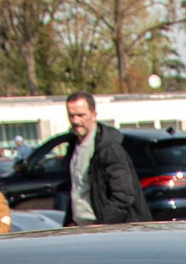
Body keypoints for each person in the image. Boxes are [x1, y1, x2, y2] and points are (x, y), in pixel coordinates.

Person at [62, 91, 149, 225]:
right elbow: (76, 190)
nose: (76, 121)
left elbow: (123, 195)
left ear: (94, 114)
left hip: (108, 230)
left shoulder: (108, 148)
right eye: (71, 116)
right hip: (80, 228)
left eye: (81, 115)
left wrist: (102, 226)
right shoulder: (73, 147)